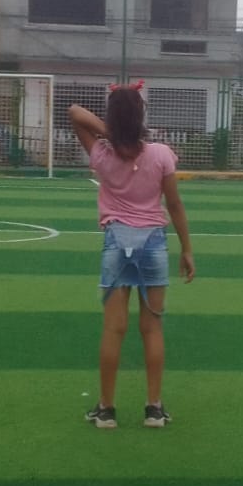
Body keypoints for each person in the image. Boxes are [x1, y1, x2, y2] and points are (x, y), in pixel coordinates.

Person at [70, 83, 195, 430]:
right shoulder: (161, 154)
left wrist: (116, 135)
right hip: (153, 243)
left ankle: (106, 409)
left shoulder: (102, 154)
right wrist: (187, 249)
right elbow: (175, 205)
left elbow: (75, 112)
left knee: (114, 329)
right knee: (152, 328)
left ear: (111, 118)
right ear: (141, 116)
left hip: (117, 242)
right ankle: (153, 408)